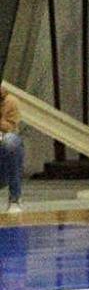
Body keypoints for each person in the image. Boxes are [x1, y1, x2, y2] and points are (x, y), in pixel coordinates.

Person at [0, 84, 25, 214]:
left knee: (11, 141)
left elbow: (11, 129)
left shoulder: (10, 101)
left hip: (2, 163)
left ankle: (15, 198)